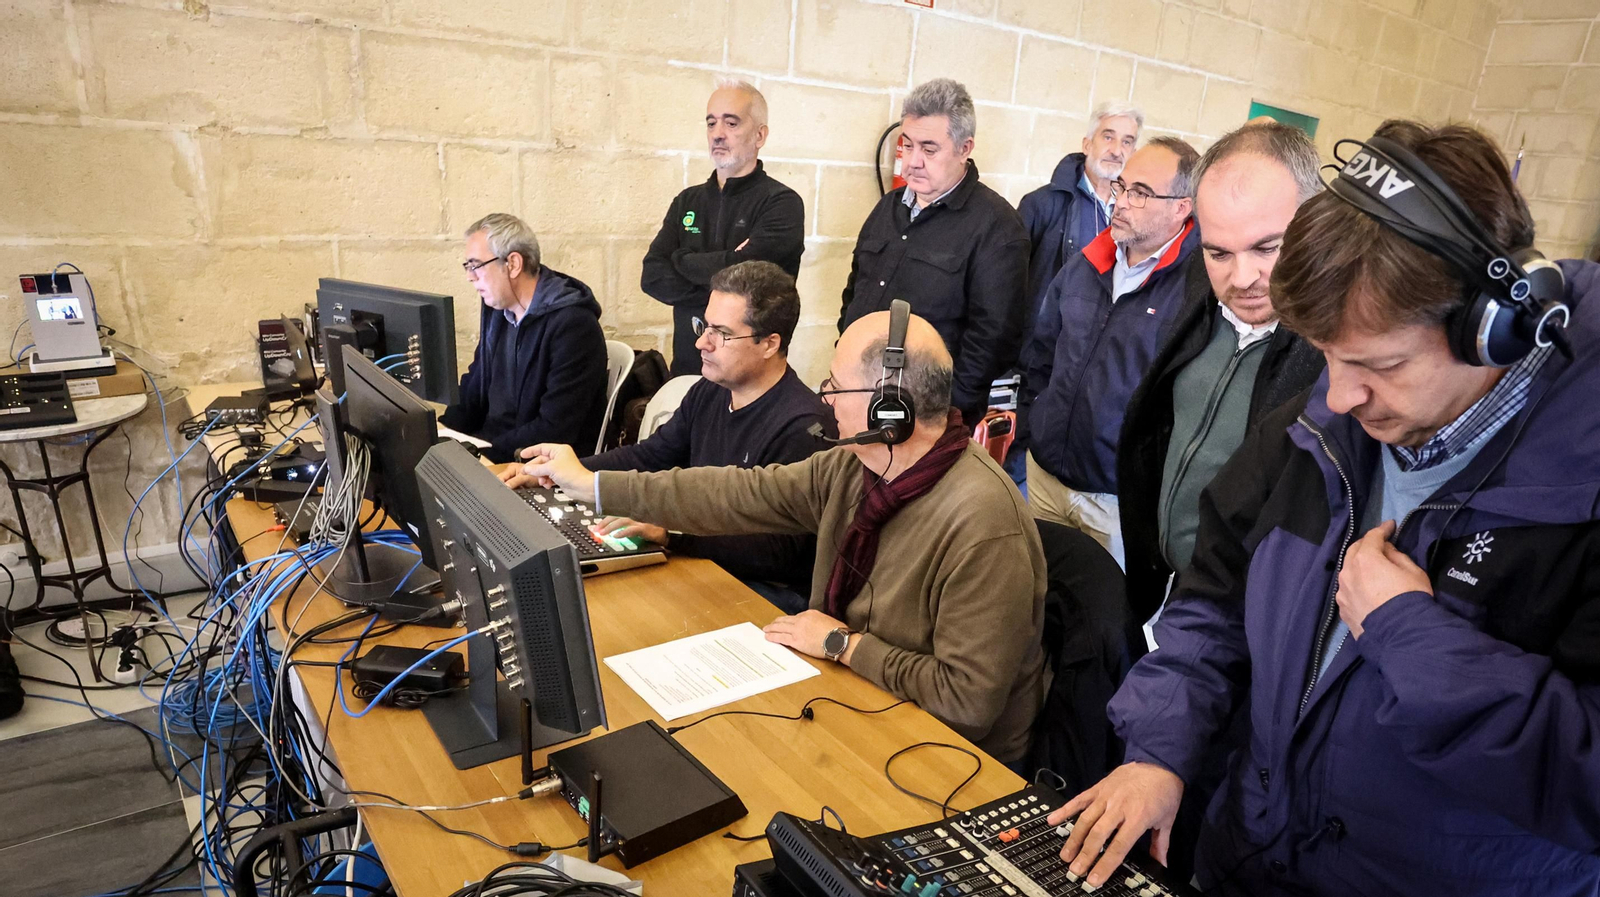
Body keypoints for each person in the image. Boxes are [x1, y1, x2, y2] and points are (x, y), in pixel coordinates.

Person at [1051, 120, 1600, 896]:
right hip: (1255, 857)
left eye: (1378, 364)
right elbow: (1213, 597)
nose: (1338, 396)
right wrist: (1160, 749)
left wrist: (1411, 635)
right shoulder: (1330, 414)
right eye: (1327, 357)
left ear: (1495, 330)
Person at [515, 307, 1047, 765]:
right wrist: (593, 485)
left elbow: (966, 703)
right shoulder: (856, 466)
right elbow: (738, 494)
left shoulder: (982, 522)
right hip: (855, 693)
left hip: (945, 753)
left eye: (836, 387)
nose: (827, 399)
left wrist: (843, 643)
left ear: (891, 408)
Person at [502, 261, 835, 610]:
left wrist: (670, 532)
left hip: (760, 590)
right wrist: (561, 474)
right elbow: (650, 456)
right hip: (702, 560)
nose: (701, 343)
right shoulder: (711, 390)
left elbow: (776, 552)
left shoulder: (805, 426)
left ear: (769, 344)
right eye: (704, 326)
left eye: (720, 333)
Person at [1118, 121, 1327, 624]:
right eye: (1219, 253)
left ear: (1317, 224)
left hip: (1243, 617)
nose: (1243, 277)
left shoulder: (1335, 355)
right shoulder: (1198, 293)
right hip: (1162, 583)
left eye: (1267, 248)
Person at [1022, 137, 1200, 567]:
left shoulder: (1197, 289)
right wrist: (1037, 421)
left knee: (1103, 621)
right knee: (1034, 600)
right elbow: (1041, 352)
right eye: (1121, 187)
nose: (1120, 202)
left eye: (1140, 193)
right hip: (1046, 478)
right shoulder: (1087, 262)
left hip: (1116, 501)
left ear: (1182, 207)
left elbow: (1186, 404)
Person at [838, 78, 1030, 427]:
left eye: (929, 149)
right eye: (906, 145)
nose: (912, 162)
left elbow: (994, 340)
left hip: (928, 417)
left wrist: (946, 414)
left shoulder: (997, 226)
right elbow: (855, 291)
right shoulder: (888, 208)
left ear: (964, 147)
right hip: (857, 396)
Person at [642, 79, 805, 376]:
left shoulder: (781, 204)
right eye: (711, 123)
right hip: (689, 370)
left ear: (759, 135)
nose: (718, 134)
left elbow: (756, 291)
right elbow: (652, 275)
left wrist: (681, 260)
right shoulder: (687, 201)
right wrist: (728, 270)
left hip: (751, 377)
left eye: (731, 123)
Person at [441, 212, 607, 463]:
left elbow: (554, 428)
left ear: (513, 264)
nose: (470, 276)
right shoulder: (498, 310)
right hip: (492, 450)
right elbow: (473, 390)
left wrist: (478, 454)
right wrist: (441, 436)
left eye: (475, 265)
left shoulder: (573, 325)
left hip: (535, 464)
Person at [1019, 101, 1144, 343]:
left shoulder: (1140, 211)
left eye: (1127, 142)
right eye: (1108, 137)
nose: (1117, 150)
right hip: (1048, 348)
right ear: (1087, 144)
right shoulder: (1041, 204)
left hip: (1104, 349)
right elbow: (1010, 286)